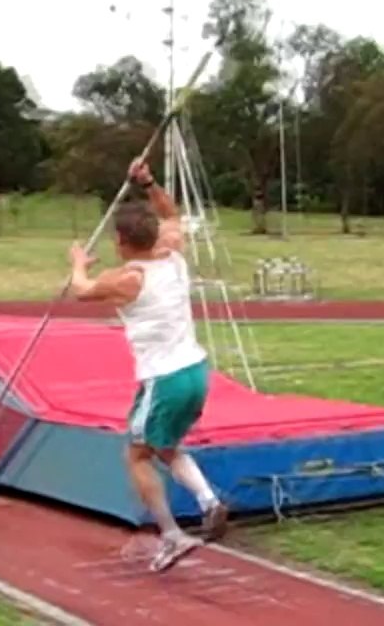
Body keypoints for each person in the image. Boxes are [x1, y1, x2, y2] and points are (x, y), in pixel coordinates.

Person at [66, 156, 229, 573]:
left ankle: (172, 535)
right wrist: (148, 182)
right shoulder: (173, 255)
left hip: (164, 380)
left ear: (120, 240)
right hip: (196, 372)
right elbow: (171, 213)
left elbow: (81, 291)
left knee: (136, 456)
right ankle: (209, 501)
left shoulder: (127, 280)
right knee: (164, 446)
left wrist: (78, 263)